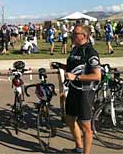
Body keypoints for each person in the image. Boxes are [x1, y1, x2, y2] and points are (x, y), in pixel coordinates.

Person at [50, 24, 101, 154]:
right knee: (69, 119)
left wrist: (76, 77)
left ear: (83, 36)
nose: (72, 35)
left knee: (86, 126)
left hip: (85, 92)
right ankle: (78, 148)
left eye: (75, 33)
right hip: (73, 89)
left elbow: (97, 75)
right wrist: (61, 66)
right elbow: (73, 67)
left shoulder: (90, 52)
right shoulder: (75, 49)